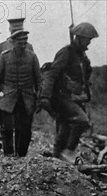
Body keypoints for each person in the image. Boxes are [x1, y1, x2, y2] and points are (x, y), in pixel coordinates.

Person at [39, 22, 98, 164]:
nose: (89, 43)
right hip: (61, 97)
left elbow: (85, 74)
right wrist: (45, 96)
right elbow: (51, 74)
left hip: (75, 97)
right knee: (81, 120)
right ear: (79, 38)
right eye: (87, 39)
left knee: (65, 126)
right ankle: (69, 151)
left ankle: (58, 157)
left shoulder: (81, 56)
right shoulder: (66, 52)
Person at [0, 30, 41, 157]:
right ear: (13, 42)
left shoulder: (32, 57)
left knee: (25, 129)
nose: (22, 45)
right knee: (6, 128)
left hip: (27, 98)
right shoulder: (4, 56)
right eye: (19, 42)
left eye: (25, 42)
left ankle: (21, 155)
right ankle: (8, 154)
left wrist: (39, 98)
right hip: (8, 97)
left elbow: (38, 80)